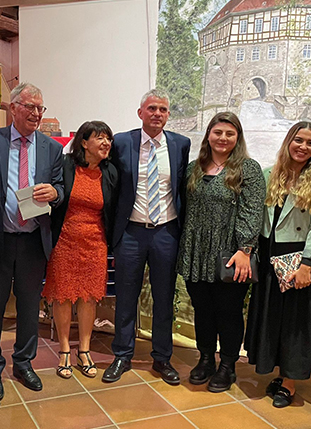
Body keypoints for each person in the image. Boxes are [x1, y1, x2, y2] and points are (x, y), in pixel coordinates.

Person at [0, 82, 64, 397]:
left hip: (32, 241)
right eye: (30, 107)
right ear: (13, 108)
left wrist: (55, 192)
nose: (37, 113)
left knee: (29, 306)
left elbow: (60, 186)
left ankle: (24, 363)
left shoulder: (51, 147)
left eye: (41, 108)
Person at [244, 122, 311, 408]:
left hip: (298, 258)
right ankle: (277, 373)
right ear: (288, 142)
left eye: (310, 142)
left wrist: (308, 264)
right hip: (269, 257)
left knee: (296, 324)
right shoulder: (269, 174)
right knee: (274, 319)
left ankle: (289, 383)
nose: (303, 147)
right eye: (299, 140)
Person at [103, 88, 191, 385]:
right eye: (152, 108)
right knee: (126, 296)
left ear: (168, 114)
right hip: (131, 232)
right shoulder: (122, 142)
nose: (157, 114)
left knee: (164, 297)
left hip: (166, 232)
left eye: (163, 109)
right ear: (140, 113)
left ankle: (162, 357)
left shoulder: (180, 144)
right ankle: (122, 355)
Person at [177, 112, 264, 393]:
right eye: (218, 132)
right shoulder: (194, 168)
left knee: (228, 311)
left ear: (237, 137)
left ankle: (227, 365)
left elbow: (252, 210)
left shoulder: (248, 169)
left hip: (231, 253)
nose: (223, 138)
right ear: (208, 135)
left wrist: (245, 249)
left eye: (229, 133)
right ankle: (205, 359)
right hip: (196, 251)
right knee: (202, 309)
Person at [42, 121, 118, 379]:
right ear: (84, 143)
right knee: (62, 296)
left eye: (108, 138)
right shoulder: (66, 165)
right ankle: (64, 349)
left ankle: (84, 350)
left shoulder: (110, 172)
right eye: (100, 138)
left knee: (88, 297)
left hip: (95, 243)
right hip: (64, 240)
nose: (106, 143)